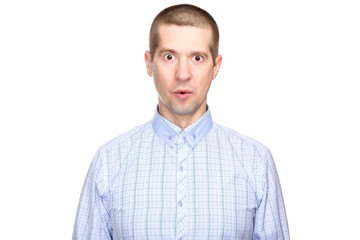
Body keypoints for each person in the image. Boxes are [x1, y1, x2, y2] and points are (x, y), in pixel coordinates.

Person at [73, 4, 289, 240]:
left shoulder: (256, 162)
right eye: (169, 56)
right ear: (149, 63)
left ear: (215, 67)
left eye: (197, 58)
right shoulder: (108, 162)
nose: (183, 74)